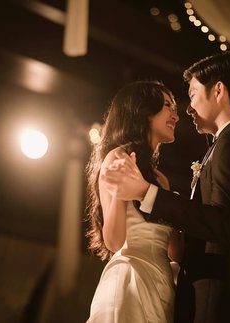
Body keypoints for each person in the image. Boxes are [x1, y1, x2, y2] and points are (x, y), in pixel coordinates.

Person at [101, 52, 230, 322]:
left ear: (218, 90)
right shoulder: (224, 144)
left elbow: (224, 223)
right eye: (168, 105)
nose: (186, 109)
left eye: (192, 94)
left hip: (223, 300)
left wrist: (149, 195)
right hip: (145, 282)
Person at [85, 80, 182, 322]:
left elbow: (176, 253)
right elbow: (114, 241)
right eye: (168, 106)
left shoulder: (161, 179)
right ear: (143, 110)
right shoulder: (116, 158)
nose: (175, 116)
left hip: (162, 284)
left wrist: (181, 211)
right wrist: (121, 194)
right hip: (130, 279)